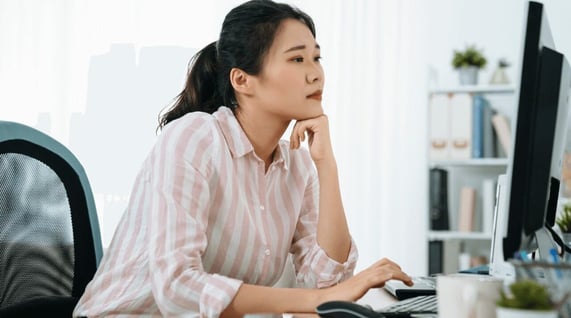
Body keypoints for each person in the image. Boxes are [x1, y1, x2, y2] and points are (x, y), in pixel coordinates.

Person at [73, 0, 413, 316]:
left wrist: (327, 165)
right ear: (242, 79)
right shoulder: (194, 138)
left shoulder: (297, 164)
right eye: (297, 59)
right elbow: (176, 286)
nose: (315, 74)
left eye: (316, 58)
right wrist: (318, 299)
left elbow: (325, 283)